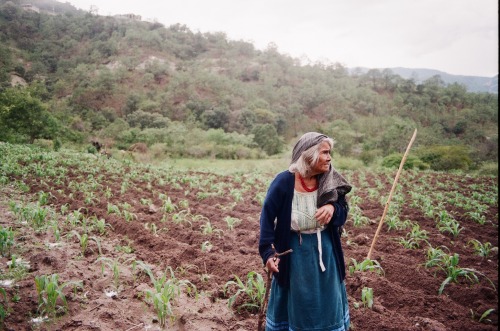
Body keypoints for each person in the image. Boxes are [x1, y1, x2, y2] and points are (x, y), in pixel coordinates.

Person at [259, 132, 352, 331]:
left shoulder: (329, 180)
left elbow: (343, 211)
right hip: (294, 253)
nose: (329, 158)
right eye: (325, 153)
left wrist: (333, 208)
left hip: (325, 251)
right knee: (297, 299)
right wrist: (268, 252)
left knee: (328, 298)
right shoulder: (284, 182)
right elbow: (267, 216)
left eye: (330, 153)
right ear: (308, 156)